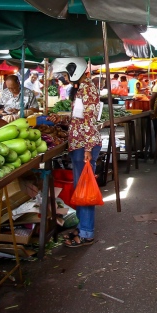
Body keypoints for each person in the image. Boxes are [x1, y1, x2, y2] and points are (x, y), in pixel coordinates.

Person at [47, 58, 102, 248]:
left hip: (84, 147)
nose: (63, 78)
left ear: (74, 71)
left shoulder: (87, 90)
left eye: (64, 74)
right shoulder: (81, 88)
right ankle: (82, 227)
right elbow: (80, 118)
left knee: (85, 188)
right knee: (81, 188)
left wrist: (87, 149)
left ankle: (86, 233)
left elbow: (89, 121)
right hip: (79, 144)